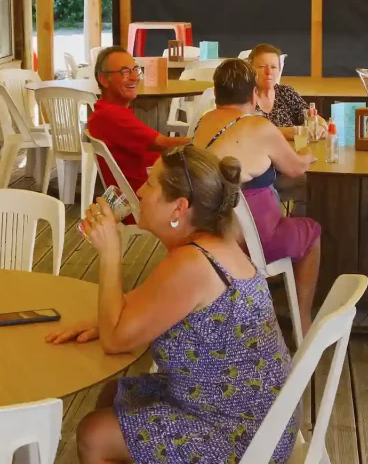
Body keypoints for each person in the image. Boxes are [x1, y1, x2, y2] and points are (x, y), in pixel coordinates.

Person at [46, 146, 297, 464]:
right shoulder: (211, 245)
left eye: (151, 185)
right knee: (115, 394)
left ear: (179, 208)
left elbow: (115, 341)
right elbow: (147, 301)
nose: (139, 191)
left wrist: (110, 254)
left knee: (94, 434)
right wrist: (105, 318)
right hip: (254, 413)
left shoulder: (192, 263)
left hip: (244, 437)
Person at [193, 58, 321, 334]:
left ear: (216, 94)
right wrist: (309, 155)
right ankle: (303, 319)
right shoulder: (258, 126)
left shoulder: (203, 123)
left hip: (209, 232)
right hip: (250, 240)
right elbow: (296, 169)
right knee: (311, 231)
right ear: (253, 95)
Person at [87, 46, 189, 191]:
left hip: (147, 184)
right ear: (103, 79)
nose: (135, 77)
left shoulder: (102, 111)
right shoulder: (112, 116)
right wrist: (205, 141)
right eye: (125, 72)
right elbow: (164, 143)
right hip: (146, 195)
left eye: (135, 69)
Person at [248, 43, 326, 140]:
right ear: (250, 69)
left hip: (291, 153)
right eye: (262, 66)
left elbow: (312, 117)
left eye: (273, 67)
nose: (268, 72)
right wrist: (292, 132)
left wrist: (321, 127)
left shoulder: (285, 92)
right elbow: (249, 131)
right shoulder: (244, 97)